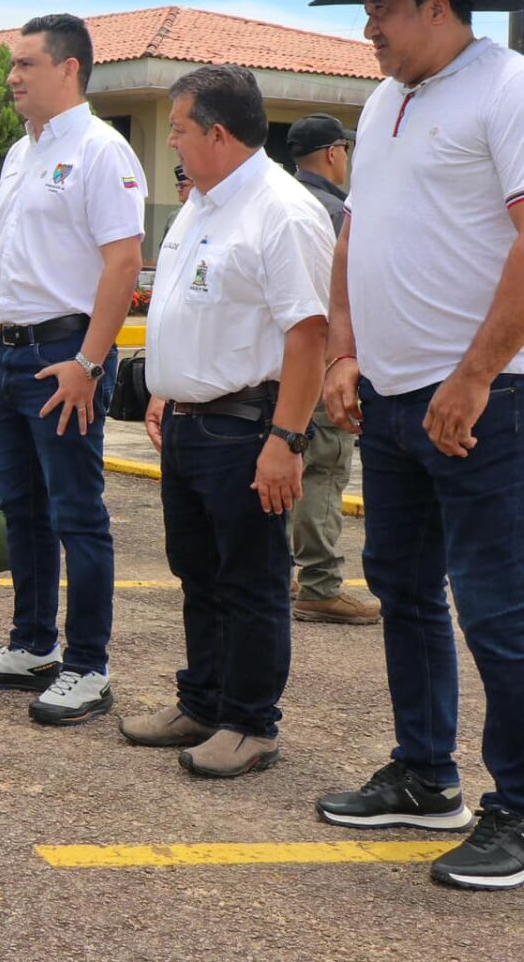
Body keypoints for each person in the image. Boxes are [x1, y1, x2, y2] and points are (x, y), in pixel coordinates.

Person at [310, 0, 524, 891]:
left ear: (437, 6)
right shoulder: (387, 100)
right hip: (391, 399)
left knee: (499, 608)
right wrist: (346, 352)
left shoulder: (520, 91)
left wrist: (474, 374)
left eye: (381, 8)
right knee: (405, 587)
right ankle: (426, 774)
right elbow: (355, 238)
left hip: (496, 398)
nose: (368, 27)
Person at [126, 66, 333, 778]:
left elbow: (308, 334)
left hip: (247, 427)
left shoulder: (282, 209)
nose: (173, 143)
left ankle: (251, 722)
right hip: (188, 424)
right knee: (198, 573)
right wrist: (165, 388)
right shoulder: (202, 204)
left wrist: (287, 438)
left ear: (217, 132)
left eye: (179, 130)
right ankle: (205, 701)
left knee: (249, 578)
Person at [0, 15, 145, 727]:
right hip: (13, 355)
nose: (12, 76)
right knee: (21, 509)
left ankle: (87, 664)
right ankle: (31, 644)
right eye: (13, 64)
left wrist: (90, 362)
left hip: (68, 355)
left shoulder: (101, 149)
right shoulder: (18, 153)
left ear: (69, 69)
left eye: (26, 64)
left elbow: (123, 262)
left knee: (76, 513)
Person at [285, 113, 379, 625]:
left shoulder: (280, 201)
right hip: (321, 359)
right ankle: (320, 585)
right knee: (323, 469)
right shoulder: (337, 211)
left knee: (280, 468)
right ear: (333, 153)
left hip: (277, 366)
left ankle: (282, 576)